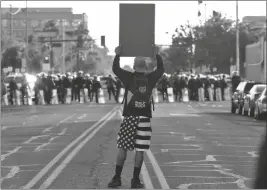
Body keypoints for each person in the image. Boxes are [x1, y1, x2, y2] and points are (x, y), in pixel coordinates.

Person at [108, 45, 164, 188]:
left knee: (123, 148)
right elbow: (161, 70)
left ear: (133, 66)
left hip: (129, 117)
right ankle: (135, 180)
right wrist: (157, 54)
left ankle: (117, 178)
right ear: (145, 67)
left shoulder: (128, 77)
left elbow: (115, 69)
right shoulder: (151, 78)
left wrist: (118, 54)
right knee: (140, 150)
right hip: (144, 118)